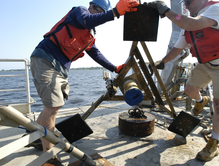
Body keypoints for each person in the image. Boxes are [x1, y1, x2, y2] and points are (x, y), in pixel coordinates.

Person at [30, 0, 139, 165]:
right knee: (52, 106)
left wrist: (115, 68)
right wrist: (115, 12)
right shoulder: (80, 12)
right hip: (45, 58)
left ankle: (36, 136)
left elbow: (96, 54)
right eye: (99, 11)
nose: (99, 14)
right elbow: (88, 20)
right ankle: (49, 158)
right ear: (91, 7)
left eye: (103, 11)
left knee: (54, 106)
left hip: (60, 68)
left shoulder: (88, 37)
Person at [145, 0, 219, 162]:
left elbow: (191, 24)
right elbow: (177, 48)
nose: (186, 6)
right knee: (189, 90)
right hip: (205, 64)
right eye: (184, 3)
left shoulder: (218, 9)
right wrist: (162, 62)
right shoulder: (189, 24)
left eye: (189, 2)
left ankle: (214, 142)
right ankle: (201, 100)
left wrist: (166, 11)